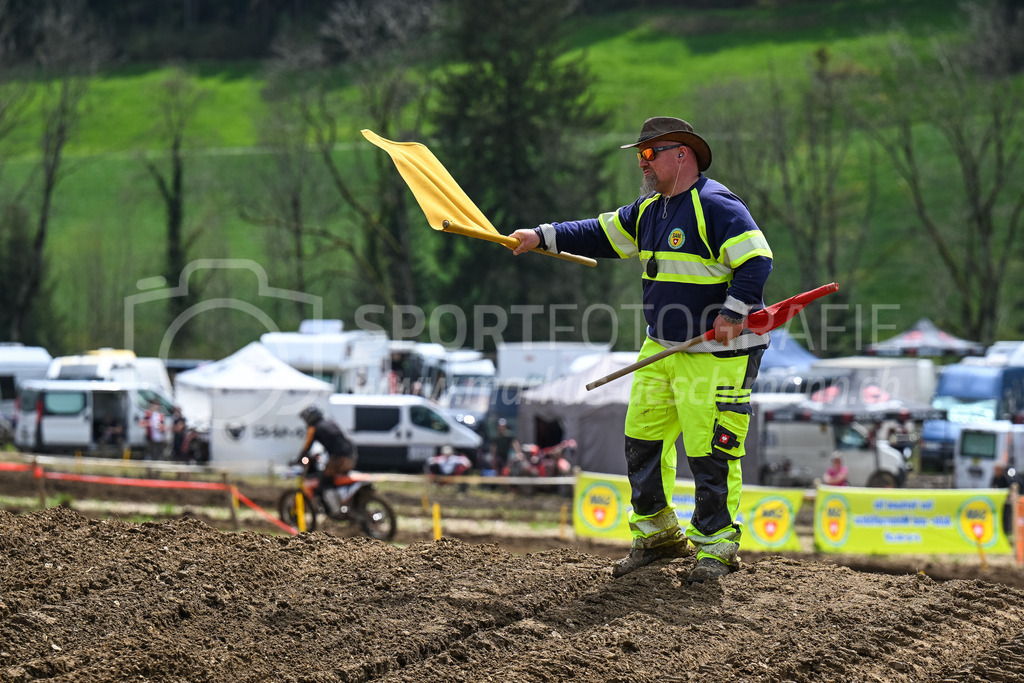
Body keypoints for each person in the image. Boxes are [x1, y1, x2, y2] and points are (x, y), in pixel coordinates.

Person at [509, 116, 773, 583]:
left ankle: (717, 548)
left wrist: (733, 313)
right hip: (664, 345)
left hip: (716, 353)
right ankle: (657, 536)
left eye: (650, 154)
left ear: (682, 155)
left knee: (709, 450)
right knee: (641, 442)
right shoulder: (649, 209)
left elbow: (757, 258)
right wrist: (539, 236)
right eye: (640, 154)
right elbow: (597, 231)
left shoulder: (716, 205)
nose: (642, 162)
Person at [298, 404, 358, 516]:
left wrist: (298, 460)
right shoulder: (330, 423)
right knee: (333, 479)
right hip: (351, 456)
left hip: (340, 459)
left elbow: (306, 447)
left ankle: (335, 510)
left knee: (323, 481)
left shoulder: (314, 428)